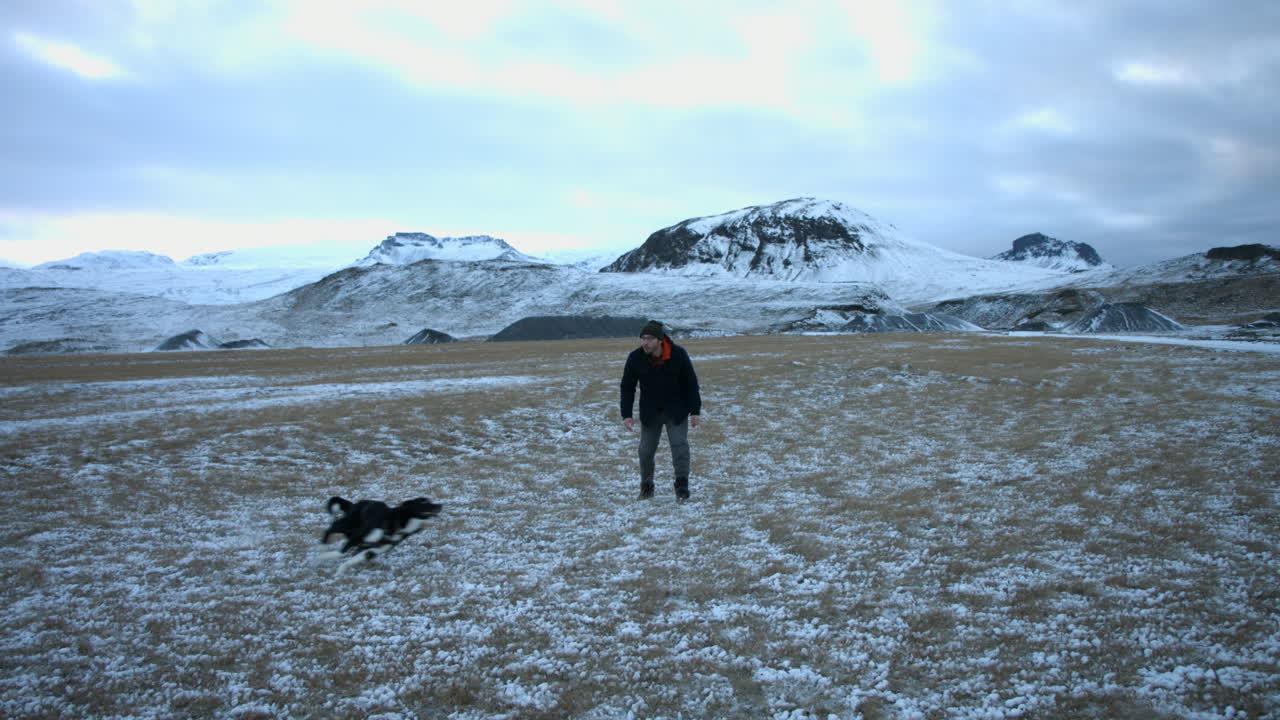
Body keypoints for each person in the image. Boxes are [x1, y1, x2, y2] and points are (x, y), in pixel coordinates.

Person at [620, 320, 702, 500]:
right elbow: (627, 386)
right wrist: (626, 414)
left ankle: (682, 486)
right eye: (643, 339)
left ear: (660, 339)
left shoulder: (678, 354)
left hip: (676, 410)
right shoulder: (635, 357)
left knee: (679, 446)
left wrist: (695, 411)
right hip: (651, 413)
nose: (645, 343)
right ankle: (647, 486)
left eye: (649, 339)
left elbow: (691, 383)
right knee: (645, 451)